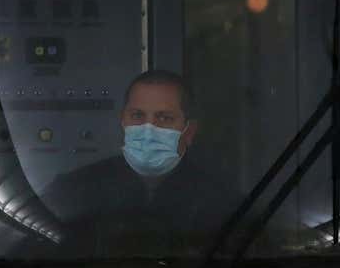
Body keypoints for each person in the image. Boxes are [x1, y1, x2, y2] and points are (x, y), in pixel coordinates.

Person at [41, 69, 234, 257]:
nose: (148, 129)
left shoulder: (223, 208)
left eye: (164, 118)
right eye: (137, 116)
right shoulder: (74, 192)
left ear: (189, 131)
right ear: (123, 121)